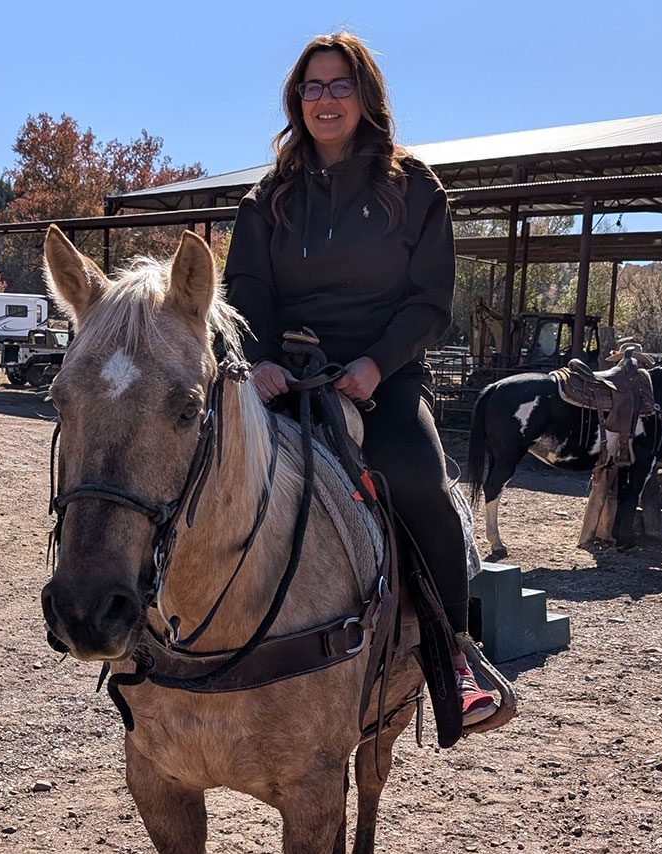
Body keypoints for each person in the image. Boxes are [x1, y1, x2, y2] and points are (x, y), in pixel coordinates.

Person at [224, 31, 496, 725]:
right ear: (296, 100)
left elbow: (430, 300)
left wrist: (378, 363)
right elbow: (245, 291)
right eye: (312, 87)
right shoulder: (268, 199)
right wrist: (259, 362)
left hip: (386, 374)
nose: (325, 99)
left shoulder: (415, 189)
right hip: (286, 376)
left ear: (365, 96)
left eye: (339, 85)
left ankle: (455, 656)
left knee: (419, 481)